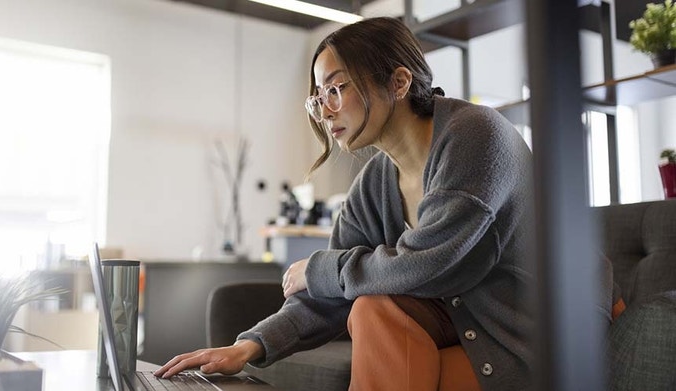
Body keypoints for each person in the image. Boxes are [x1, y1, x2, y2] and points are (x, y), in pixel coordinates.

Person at [155, 17, 545, 390]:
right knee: (371, 307)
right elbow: (330, 294)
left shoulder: (476, 136)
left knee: (380, 324)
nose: (325, 111)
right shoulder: (374, 184)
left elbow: (431, 263)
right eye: (319, 97)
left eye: (337, 89)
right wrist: (248, 346)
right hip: (457, 332)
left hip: (525, 343)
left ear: (398, 82)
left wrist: (321, 269)